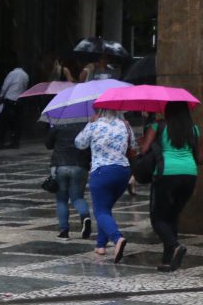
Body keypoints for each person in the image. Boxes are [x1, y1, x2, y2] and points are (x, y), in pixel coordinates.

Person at [140, 102, 201, 271]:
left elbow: (144, 150)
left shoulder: (158, 125)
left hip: (166, 173)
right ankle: (168, 260)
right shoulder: (194, 129)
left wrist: (143, 142)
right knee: (172, 216)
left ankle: (175, 246)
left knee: (158, 218)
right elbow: (199, 157)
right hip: (189, 174)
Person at [75, 108, 137, 263]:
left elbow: (79, 144)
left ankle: (117, 239)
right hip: (123, 171)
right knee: (106, 208)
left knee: (100, 211)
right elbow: (134, 146)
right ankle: (100, 245)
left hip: (102, 171)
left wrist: (89, 124)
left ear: (98, 110)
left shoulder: (94, 124)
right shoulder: (125, 125)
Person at [46, 122, 92, 240]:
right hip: (80, 165)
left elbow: (48, 145)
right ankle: (85, 217)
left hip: (59, 165)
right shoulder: (86, 125)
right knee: (78, 197)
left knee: (61, 200)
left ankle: (64, 231)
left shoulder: (58, 124)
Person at [0, 60, 29, 149]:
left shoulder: (12, 73)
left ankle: (0, 142)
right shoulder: (26, 75)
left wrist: (1, 96)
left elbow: (5, 85)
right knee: (16, 123)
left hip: (9, 99)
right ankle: (15, 142)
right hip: (19, 100)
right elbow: (25, 88)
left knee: (3, 122)